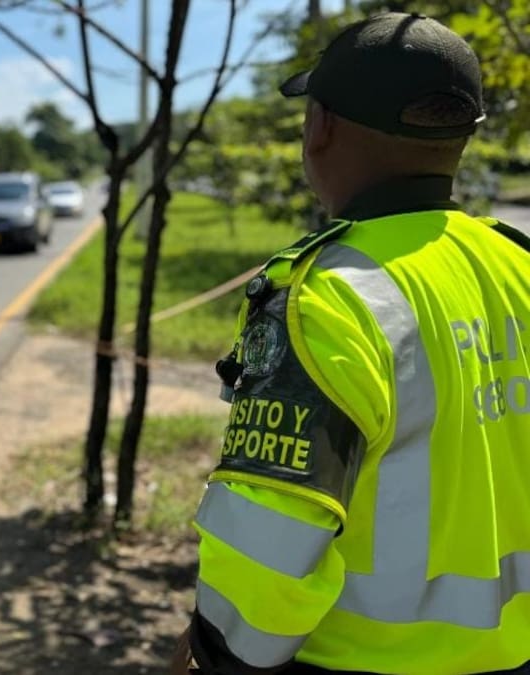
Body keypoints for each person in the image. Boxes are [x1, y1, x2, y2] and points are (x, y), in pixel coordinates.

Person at [172, 13, 530, 675]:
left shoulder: (326, 298)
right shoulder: (517, 263)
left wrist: (216, 650)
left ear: (321, 127)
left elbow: (267, 556)